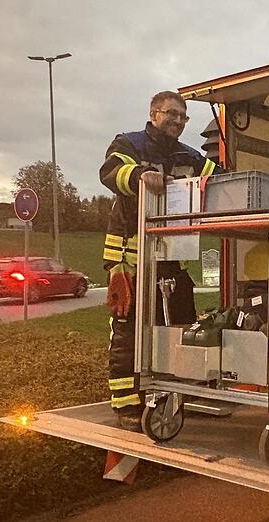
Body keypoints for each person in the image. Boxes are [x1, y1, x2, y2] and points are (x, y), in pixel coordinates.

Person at [98, 90, 222, 431]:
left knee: (181, 322)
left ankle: (175, 395)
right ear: (154, 114)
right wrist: (139, 175)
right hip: (130, 258)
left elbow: (222, 178)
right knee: (130, 329)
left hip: (171, 256)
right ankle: (126, 405)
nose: (178, 121)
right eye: (172, 114)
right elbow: (109, 173)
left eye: (183, 117)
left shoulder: (189, 155)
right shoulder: (129, 144)